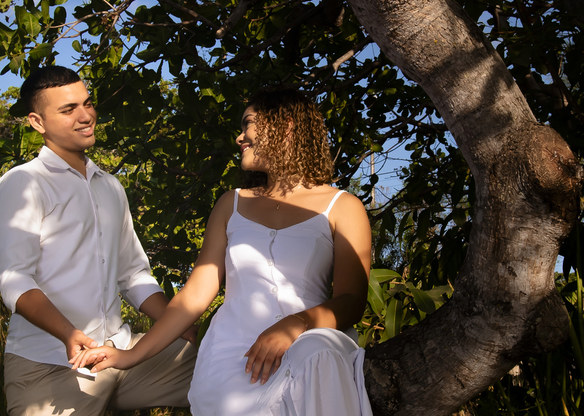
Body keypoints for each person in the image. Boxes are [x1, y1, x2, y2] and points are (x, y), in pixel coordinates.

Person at [71, 88, 373, 416]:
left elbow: (352, 300)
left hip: (309, 347)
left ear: (286, 126)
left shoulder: (342, 206)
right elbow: (195, 295)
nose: (240, 137)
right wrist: (130, 356)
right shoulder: (232, 204)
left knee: (318, 352)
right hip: (233, 361)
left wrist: (297, 324)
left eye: (248, 124)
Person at [0, 65, 197, 416]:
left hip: (121, 353)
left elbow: (132, 274)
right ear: (37, 122)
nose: (86, 116)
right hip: (51, 365)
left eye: (87, 103)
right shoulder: (22, 184)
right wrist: (68, 333)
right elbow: (15, 279)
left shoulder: (110, 186)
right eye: (68, 109)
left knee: (231, 365)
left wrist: (176, 324)